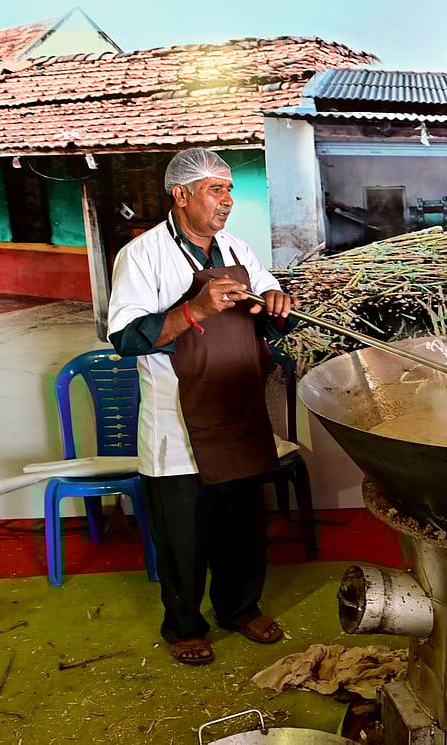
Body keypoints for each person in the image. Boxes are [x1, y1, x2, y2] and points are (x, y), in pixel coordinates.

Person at [107, 148, 298, 666]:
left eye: (230, 190)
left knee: (241, 523)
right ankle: (185, 626)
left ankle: (240, 608)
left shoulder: (236, 247)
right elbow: (125, 337)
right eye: (216, 189)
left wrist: (278, 306)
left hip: (236, 406)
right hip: (178, 417)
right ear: (181, 195)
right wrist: (194, 308)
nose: (227, 201)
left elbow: (266, 308)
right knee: (182, 532)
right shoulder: (143, 255)